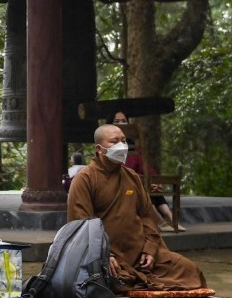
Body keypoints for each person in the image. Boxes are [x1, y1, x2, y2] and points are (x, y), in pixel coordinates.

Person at [67, 124, 208, 291]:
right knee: (112, 280)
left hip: (141, 254)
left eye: (124, 141)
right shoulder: (84, 179)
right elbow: (82, 224)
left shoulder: (131, 177)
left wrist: (149, 249)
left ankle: (141, 278)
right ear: (99, 148)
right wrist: (104, 254)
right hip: (109, 257)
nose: (122, 146)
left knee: (188, 269)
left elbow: (148, 216)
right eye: (115, 141)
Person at [109, 111, 176, 229]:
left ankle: (170, 218)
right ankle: (158, 220)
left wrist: (155, 181)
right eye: (117, 121)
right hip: (120, 186)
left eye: (124, 121)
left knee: (150, 186)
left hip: (137, 181)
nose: (121, 124)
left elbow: (147, 167)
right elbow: (120, 170)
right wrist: (141, 179)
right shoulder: (107, 147)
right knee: (139, 186)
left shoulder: (135, 148)